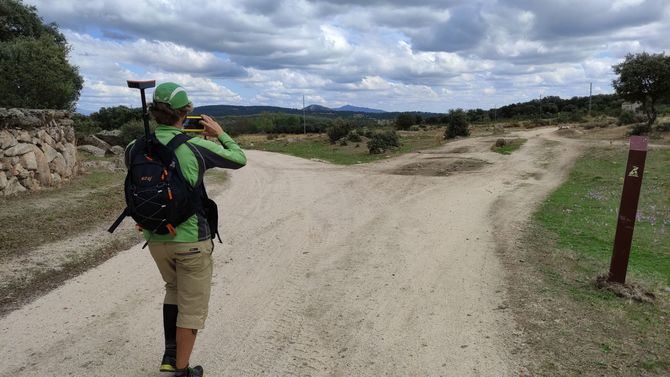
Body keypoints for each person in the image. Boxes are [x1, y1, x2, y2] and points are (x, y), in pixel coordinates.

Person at [125, 82, 246, 377]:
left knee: (174, 290)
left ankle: (170, 356)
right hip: (191, 238)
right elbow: (238, 159)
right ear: (185, 113)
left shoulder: (134, 147)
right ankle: (181, 370)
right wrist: (219, 135)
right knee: (191, 307)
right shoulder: (195, 146)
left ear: (153, 113)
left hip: (155, 237)